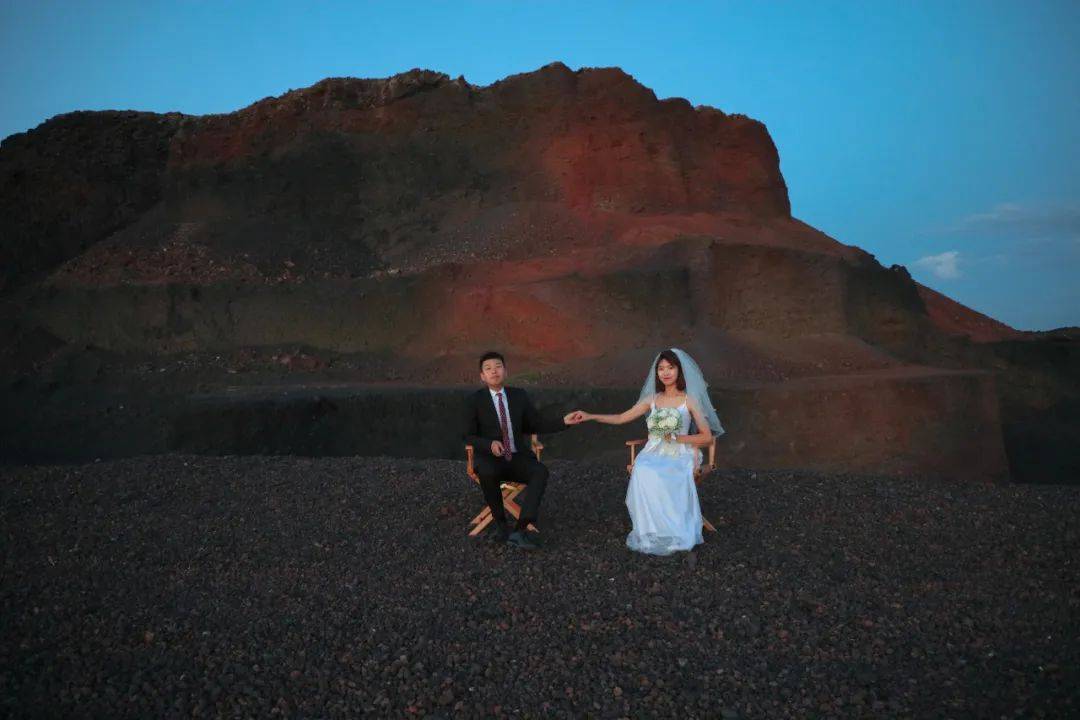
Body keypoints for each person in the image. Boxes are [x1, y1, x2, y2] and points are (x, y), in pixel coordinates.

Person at [570, 348, 725, 555]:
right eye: (661, 368)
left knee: (667, 474)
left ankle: (675, 530)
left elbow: (706, 436)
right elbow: (621, 417)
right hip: (653, 451)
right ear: (656, 373)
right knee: (643, 471)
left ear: (679, 371)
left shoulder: (689, 400)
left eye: (670, 368)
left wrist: (677, 438)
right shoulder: (652, 399)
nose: (665, 372)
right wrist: (590, 416)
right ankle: (652, 530)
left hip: (681, 451)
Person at [462, 351, 579, 550]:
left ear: (505, 371)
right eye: (488, 368)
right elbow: (467, 435)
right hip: (491, 458)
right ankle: (501, 525)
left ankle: (521, 528)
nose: (494, 371)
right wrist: (489, 445)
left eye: (498, 366)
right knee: (487, 471)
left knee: (540, 471)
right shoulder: (475, 400)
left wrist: (563, 422)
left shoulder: (519, 396)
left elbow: (535, 424)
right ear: (482, 376)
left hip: (516, 456)